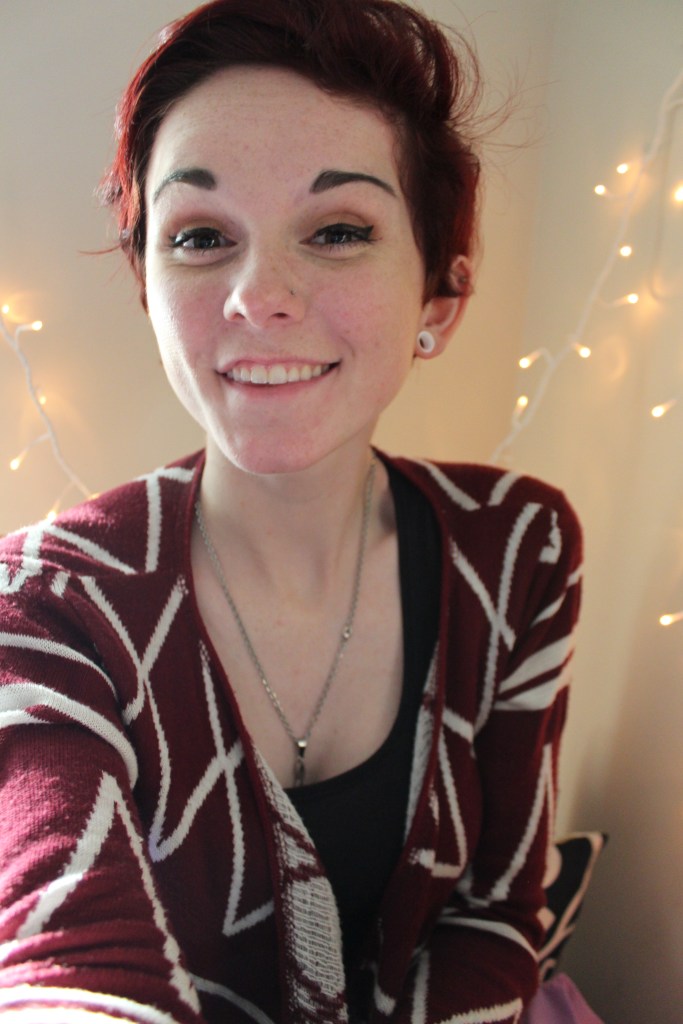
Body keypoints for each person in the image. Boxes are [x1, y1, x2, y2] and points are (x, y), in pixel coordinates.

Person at [0, 2, 584, 1022]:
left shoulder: (517, 546)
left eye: (338, 231)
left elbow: (495, 915)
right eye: (200, 236)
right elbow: (68, 960)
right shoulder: (46, 603)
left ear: (438, 297)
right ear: (147, 287)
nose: (257, 294)